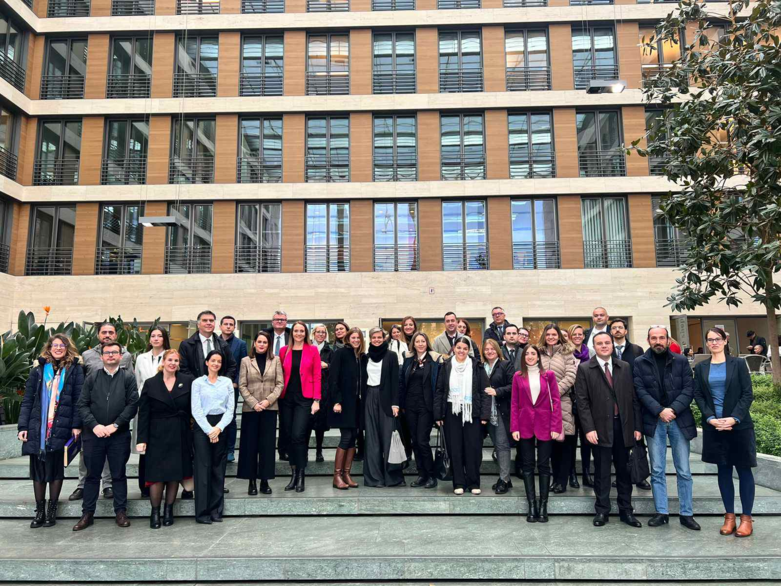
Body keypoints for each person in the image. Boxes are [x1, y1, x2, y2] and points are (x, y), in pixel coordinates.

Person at [634, 326, 700, 530]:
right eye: (654, 338)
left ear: (667, 339)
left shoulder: (680, 361)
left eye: (661, 337)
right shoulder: (639, 362)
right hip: (655, 421)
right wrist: (660, 411)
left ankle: (686, 513)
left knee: (684, 470)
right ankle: (661, 511)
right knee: (657, 469)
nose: (658, 341)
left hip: (679, 419)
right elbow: (640, 390)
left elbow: (689, 388)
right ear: (648, 340)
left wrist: (672, 410)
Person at [575, 332, 643, 528]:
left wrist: (636, 427)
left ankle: (626, 511)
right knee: (602, 472)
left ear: (612, 345)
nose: (604, 346)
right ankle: (602, 510)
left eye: (607, 343)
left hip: (623, 427)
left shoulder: (625, 367)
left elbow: (634, 399)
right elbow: (582, 402)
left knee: (624, 471)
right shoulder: (585, 368)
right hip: (599, 428)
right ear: (594, 346)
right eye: (599, 343)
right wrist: (588, 429)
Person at [693, 327, 756, 537]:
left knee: (744, 471)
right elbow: (699, 396)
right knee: (724, 472)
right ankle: (729, 517)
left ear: (725, 340)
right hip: (715, 427)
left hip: (739, 426)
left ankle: (746, 518)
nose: (714, 343)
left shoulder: (737, 364)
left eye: (717, 339)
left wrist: (734, 418)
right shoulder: (701, 367)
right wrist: (710, 418)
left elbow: (747, 394)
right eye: (710, 340)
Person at [18, 334, 84, 528]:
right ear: (49, 348)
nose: (58, 348)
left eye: (61, 345)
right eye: (54, 345)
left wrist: (76, 425)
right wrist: (23, 426)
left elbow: (78, 400)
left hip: (61, 425)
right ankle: (39, 511)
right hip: (38, 426)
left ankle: (52, 510)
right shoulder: (38, 370)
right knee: (38, 470)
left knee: (55, 470)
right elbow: (28, 400)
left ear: (67, 348)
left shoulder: (75, 370)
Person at [73, 341, 139, 531]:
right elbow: (82, 405)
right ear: (101, 357)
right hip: (94, 435)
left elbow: (132, 405)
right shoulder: (92, 377)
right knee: (92, 476)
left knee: (118, 474)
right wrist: (95, 426)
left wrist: (115, 425)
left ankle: (120, 511)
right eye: (107, 353)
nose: (111, 355)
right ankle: (87, 514)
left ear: (121, 356)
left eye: (115, 352)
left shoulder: (128, 377)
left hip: (118, 435)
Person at [70, 321, 134, 502]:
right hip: (92, 417)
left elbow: (130, 384)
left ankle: (107, 485)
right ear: (98, 335)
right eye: (104, 332)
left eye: (111, 332)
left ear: (116, 335)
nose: (107, 335)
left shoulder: (126, 356)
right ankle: (82, 485)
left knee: (112, 456)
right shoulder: (87, 355)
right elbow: (80, 387)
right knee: (87, 454)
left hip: (116, 418)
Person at [135, 349, 194, 529]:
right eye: (170, 360)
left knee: (174, 475)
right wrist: (141, 438)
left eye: (176, 361)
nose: (173, 363)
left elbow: (193, 408)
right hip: (156, 434)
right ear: (163, 362)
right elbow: (143, 413)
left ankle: (169, 510)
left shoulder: (187, 381)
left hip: (180, 432)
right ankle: (155, 512)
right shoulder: (151, 383)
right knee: (157, 475)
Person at [511, 345, 562, 523]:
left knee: (543, 465)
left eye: (534, 353)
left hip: (545, 425)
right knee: (527, 465)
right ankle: (532, 506)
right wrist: (514, 427)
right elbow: (514, 403)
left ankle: (543, 506)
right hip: (524, 425)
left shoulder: (549, 376)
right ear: (523, 357)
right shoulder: (518, 377)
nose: (531, 356)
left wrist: (556, 426)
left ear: (538, 357)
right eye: (527, 354)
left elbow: (555, 401)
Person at [435, 337, 490, 495]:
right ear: (454, 349)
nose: (461, 351)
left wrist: (484, 415)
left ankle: (473, 483)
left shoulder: (477, 366)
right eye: (458, 348)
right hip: (452, 411)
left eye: (465, 348)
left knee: (472, 449)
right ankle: (458, 482)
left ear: (469, 350)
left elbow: (485, 392)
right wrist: (438, 414)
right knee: (455, 449)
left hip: (472, 412)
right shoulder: (446, 365)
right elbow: (439, 390)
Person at [238, 331, 283, 496]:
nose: (262, 344)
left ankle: (264, 480)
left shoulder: (276, 360)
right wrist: (254, 403)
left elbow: (280, 384)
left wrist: (267, 401)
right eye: (259, 342)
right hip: (251, 409)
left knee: (267, 446)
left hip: (269, 409)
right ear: (254, 343)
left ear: (269, 344)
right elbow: (242, 385)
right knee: (250, 446)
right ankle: (251, 481)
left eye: (265, 342)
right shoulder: (245, 361)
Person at [191, 350, 233, 524]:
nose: (216, 363)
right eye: (213, 360)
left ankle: (216, 510)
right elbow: (196, 409)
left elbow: (230, 409)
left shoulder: (227, 382)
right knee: (203, 469)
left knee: (218, 469)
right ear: (207, 362)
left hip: (221, 425)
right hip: (203, 426)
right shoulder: (198, 383)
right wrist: (210, 430)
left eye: (219, 361)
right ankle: (202, 512)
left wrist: (219, 428)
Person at [279, 321, 321, 493]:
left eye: (301, 331)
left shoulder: (312, 350)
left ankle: (301, 475)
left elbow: (317, 375)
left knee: (298, 435)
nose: (298, 333)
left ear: (306, 333)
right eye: (295, 331)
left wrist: (316, 400)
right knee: (289, 436)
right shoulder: (283, 351)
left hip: (305, 398)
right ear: (292, 333)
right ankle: (293, 475)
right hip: (286, 398)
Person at [399, 332, 443, 489]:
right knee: (414, 442)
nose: (420, 344)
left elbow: (438, 386)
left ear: (427, 343)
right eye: (417, 341)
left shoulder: (434, 360)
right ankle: (421, 475)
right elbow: (402, 383)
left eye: (423, 341)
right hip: (410, 407)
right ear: (413, 344)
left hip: (426, 407)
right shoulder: (408, 360)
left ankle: (431, 475)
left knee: (422, 441)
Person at [363, 327, 404, 488]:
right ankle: (374, 478)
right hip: (369, 397)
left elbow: (395, 381)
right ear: (370, 339)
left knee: (388, 438)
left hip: (386, 399)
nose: (377, 340)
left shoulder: (391, 356)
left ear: (384, 338)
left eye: (379, 337)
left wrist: (396, 403)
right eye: (374, 337)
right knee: (372, 439)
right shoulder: (365, 357)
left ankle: (391, 477)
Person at [539, 324, 577, 494]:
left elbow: (571, 376)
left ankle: (562, 480)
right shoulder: (538, 352)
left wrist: (553, 393)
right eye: (549, 334)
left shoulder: (567, 352)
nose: (552, 337)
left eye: (554, 334)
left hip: (563, 403)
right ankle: (555, 479)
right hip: (542, 405)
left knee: (565, 444)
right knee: (551, 445)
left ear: (559, 336)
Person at [134, 327, 171, 498]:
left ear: (164, 339)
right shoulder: (141, 358)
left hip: (164, 406)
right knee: (145, 447)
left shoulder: (170, 357)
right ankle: (144, 485)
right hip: (145, 404)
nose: (156, 338)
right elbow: (138, 381)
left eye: (160, 336)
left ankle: (164, 483)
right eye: (153, 336)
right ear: (149, 339)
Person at [329, 327, 366, 489]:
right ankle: (337, 475)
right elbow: (333, 378)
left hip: (357, 404)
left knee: (353, 437)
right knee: (346, 437)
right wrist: (336, 401)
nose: (356, 340)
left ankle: (346, 473)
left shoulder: (361, 357)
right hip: (344, 403)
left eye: (358, 338)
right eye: (353, 337)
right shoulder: (340, 353)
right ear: (348, 339)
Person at [481, 339, 515, 494]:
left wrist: (497, 391)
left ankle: (504, 479)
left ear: (497, 350)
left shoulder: (505, 364)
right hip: (486, 412)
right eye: (486, 349)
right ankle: (505, 477)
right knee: (496, 444)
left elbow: (513, 386)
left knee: (502, 445)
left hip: (501, 411)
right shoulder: (481, 367)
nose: (489, 351)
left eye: (492, 349)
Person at [220, 316, 248, 464]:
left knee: (230, 418)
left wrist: (236, 382)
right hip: (215, 386)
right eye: (226, 324)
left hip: (232, 387)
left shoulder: (240, 344)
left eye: (231, 324)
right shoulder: (214, 342)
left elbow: (244, 365)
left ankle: (230, 449)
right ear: (221, 326)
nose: (229, 326)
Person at [265, 311, 292, 460]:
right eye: (277, 319)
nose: (280, 322)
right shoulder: (265, 336)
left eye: (283, 319)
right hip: (267, 382)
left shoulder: (292, 336)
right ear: (272, 321)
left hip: (287, 383)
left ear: (286, 322)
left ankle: (283, 450)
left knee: (285, 421)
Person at [311, 325, 334, 463]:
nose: (320, 334)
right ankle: (304, 452)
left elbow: (335, 368)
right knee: (306, 423)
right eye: (318, 332)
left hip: (323, 390)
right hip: (308, 388)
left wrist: (327, 366)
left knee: (320, 424)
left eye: (323, 333)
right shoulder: (307, 347)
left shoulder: (329, 351)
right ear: (313, 334)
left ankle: (319, 450)